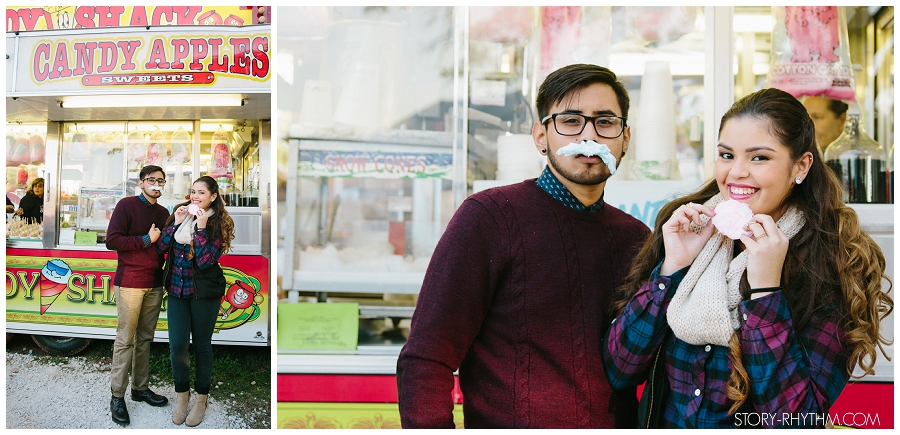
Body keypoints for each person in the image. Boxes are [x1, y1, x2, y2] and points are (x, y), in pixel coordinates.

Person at [603, 88, 893, 428]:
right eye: (727, 155)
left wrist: (766, 292)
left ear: (800, 165)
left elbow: (796, 421)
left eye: (759, 158)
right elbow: (619, 369)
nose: (736, 172)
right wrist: (671, 270)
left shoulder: (833, 259)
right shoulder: (686, 226)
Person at [397, 64, 650, 428]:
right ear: (540, 136)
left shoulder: (636, 238)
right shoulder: (488, 218)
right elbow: (425, 359)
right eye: (570, 121)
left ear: (625, 138)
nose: (589, 136)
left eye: (606, 122)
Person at [157, 175, 234, 427]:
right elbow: (161, 248)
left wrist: (200, 229)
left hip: (204, 294)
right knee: (177, 345)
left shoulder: (216, 222)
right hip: (178, 290)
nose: (195, 196)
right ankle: (182, 396)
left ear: (213, 196)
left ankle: (201, 398)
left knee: (201, 346)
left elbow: (204, 260)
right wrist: (175, 223)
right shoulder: (181, 214)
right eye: (193, 191)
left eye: (201, 192)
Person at [105, 165, 170, 426]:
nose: (157, 184)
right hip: (131, 281)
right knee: (125, 340)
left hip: (155, 283)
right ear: (141, 182)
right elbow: (113, 240)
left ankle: (140, 389)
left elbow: (165, 245)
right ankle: (117, 395)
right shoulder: (127, 205)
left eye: (161, 181)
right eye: (152, 180)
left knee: (145, 338)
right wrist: (146, 239)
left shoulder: (164, 212)